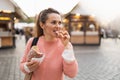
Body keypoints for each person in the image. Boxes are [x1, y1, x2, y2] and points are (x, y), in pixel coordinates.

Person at [20, 8, 78, 80]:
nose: (58, 26)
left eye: (59, 23)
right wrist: (27, 67)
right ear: (42, 25)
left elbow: (72, 74)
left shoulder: (64, 45)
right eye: (53, 22)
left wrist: (67, 46)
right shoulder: (32, 42)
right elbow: (22, 66)